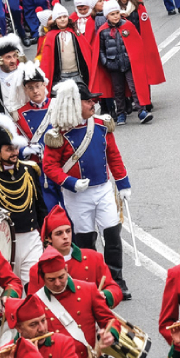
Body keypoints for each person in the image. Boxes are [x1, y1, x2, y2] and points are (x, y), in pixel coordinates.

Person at [43, 80, 131, 296]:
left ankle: (116, 280)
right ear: (74, 104)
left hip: (102, 190)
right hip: (77, 196)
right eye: (88, 100)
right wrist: (71, 183)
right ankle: (90, 282)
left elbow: (113, 156)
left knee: (112, 234)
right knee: (85, 240)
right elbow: (49, 166)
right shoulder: (58, 134)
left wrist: (122, 183)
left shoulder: (101, 125)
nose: (94, 103)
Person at [0, 113, 47, 284]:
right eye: (9, 149)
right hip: (2, 243)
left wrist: (46, 236)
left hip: (31, 237)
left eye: (15, 148)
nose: (14, 153)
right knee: (10, 290)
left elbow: (40, 206)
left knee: (33, 285)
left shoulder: (29, 170)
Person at [32, 246, 120, 358]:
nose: (57, 283)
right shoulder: (35, 302)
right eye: (51, 280)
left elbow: (110, 319)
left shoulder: (88, 290)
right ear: (43, 278)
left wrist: (111, 333)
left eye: (61, 277)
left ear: (66, 269)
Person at [29, 204, 123, 306]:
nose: (65, 236)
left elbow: (114, 289)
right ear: (49, 238)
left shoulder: (94, 258)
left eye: (68, 231)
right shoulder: (38, 269)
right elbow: (33, 306)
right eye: (59, 233)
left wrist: (105, 295)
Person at [13, 61, 62, 212]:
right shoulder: (19, 114)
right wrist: (24, 151)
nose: (35, 91)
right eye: (30, 88)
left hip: (61, 166)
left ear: (45, 85)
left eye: (38, 86)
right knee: (48, 211)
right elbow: (14, 145)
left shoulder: (58, 106)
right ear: (25, 91)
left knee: (72, 212)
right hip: (38, 171)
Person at [39, 1, 93, 88]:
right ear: (55, 21)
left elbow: (86, 51)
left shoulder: (75, 32)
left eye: (65, 16)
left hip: (77, 74)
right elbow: (46, 59)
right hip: (61, 76)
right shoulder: (51, 36)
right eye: (59, 17)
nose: (63, 19)